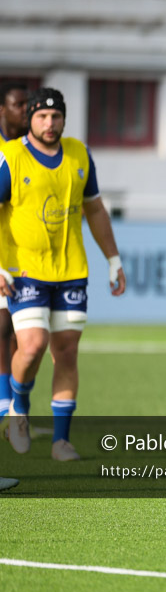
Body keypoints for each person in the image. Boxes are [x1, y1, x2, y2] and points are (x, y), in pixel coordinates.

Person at [0, 87, 126, 461]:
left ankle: (61, 442)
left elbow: (96, 210)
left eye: (55, 117)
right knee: (33, 344)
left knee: (66, 352)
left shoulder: (79, 155)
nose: (49, 123)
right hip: (24, 270)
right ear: (30, 119)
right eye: (41, 116)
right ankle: (18, 409)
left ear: (64, 119)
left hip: (71, 272)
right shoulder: (10, 157)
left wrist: (114, 259)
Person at [0, 82, 28, 418]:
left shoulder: (29, 149)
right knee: (4, 328)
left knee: (26, 337)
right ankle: (8, 407)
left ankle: (17, 411)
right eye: (18, 104)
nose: (25, 110)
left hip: (24, 255)